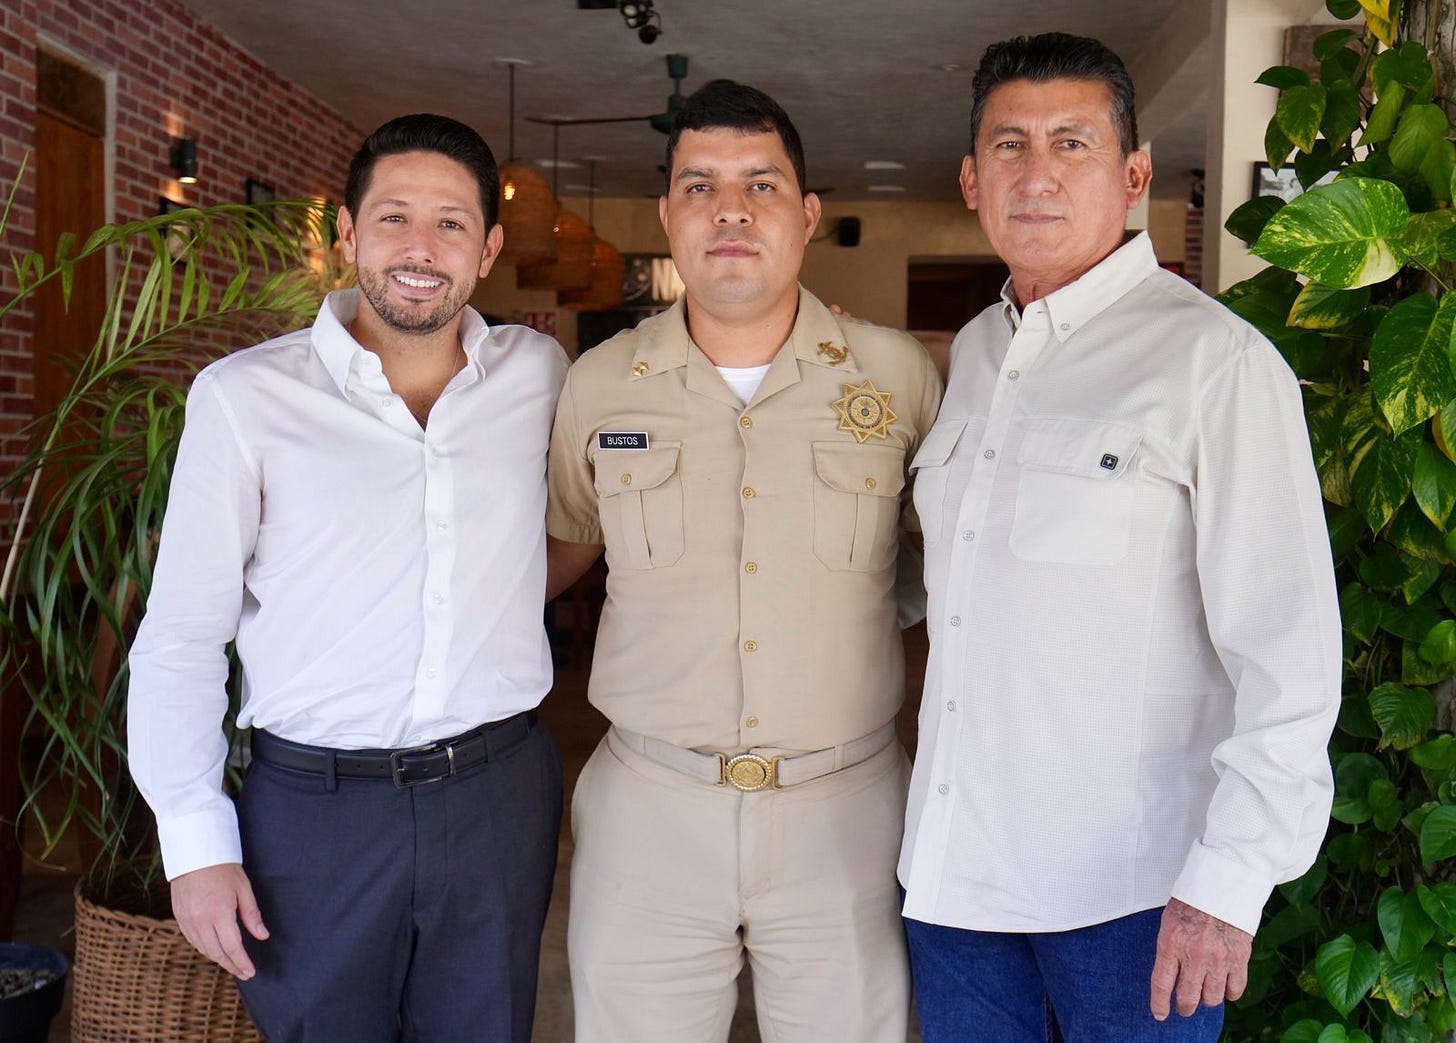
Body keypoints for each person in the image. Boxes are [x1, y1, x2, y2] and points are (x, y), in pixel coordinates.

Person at [897, 32, 1342, 1041]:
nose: (1037, 174)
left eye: (1072, 142)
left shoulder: (1216, 362)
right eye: (1008, 145)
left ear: (1134, 175)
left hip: (1136, 899)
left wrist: (1229, 880)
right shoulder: (974, 352)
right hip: (955, 887)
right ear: (971, 179)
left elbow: (1289, 650)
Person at [127, 113, 568, 1042]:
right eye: (394, 217)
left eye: (451, 223)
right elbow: (182, 635)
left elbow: (612, 479)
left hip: (497, 798)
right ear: (346, 234)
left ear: (488, 249)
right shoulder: (245, 397)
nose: (420, 248)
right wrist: (194, 841)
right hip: (315, 814)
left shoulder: (540, 376)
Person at [546, 80, 942, 1041]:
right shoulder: (599, 383)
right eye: (701, 186)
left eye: (762, 185)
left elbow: (954, 558)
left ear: (807, 215)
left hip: (846, 813)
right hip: (649, 811)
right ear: (667, 216)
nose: (730, 210)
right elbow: (561, 552)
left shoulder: (897, 375)